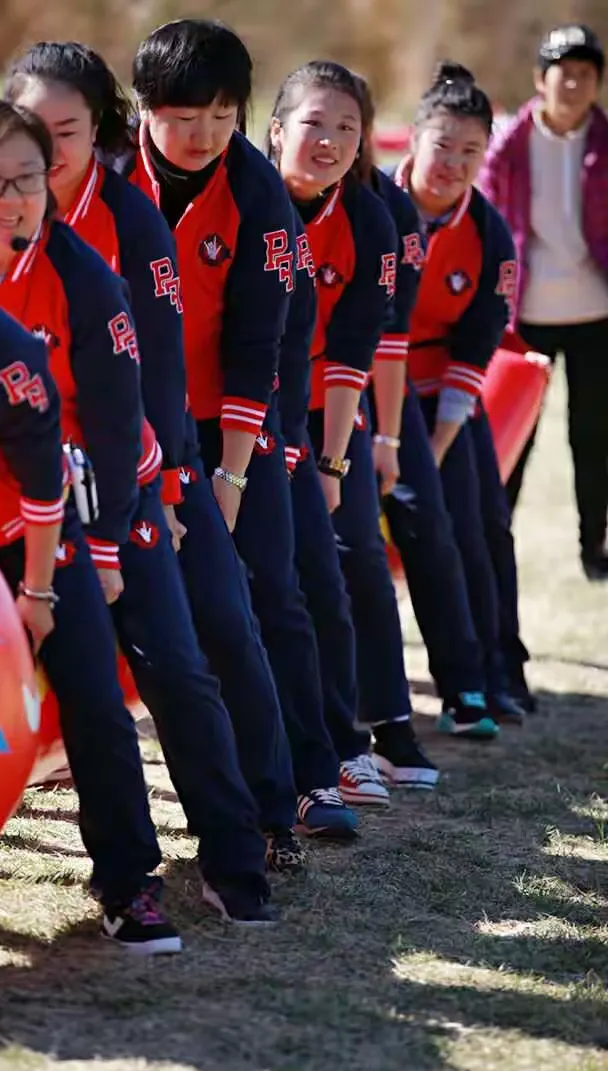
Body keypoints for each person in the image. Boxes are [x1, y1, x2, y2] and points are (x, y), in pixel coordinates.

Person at [0, 99, 278, 928]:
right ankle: (125, 874)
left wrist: (112, 545)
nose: (16, 198)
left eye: (32, 178)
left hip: (112, 496)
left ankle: (232, 855)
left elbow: (122, 424)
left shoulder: (84, 277)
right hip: (4, 513)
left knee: (171, 668)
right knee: (85, 692)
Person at [4, 41, 305, 874]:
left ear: (95, 126)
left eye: (66, 130)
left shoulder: (139, 212)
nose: (47, 149)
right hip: (24, 465)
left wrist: (187, 485)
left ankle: (267, 813)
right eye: (32, 128)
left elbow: (171, 368)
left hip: (151, 451)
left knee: (223, 616)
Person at [0, 170, 181, 955]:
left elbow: (46, 483)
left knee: (92, 700)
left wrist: (40, 592)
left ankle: (128, 887)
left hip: (26, 544)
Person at [123, 19, 357, 838]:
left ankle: (310, 775)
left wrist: (229, 477)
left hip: (240, 413)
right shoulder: (109, 180)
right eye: (187, 114)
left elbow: (263, 346)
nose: (205, 134)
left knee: (273, 581)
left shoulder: (257, 195)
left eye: (224, 115)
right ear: (145, 109)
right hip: (130, 417)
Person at [266, 59, 440, 786]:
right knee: (274, 574)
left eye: (347, 128)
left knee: (355, 556)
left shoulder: (372, 216)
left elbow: (359, 351)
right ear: (276, 130)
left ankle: (379, 730)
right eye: (314, 123)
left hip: (325, 409)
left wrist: (344, 460)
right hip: (233, 406)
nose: (330, 141)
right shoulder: (244, 196)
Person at [352, 72, 526, 733]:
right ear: (413, 139)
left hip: (439, 402)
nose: (453, 164)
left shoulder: (489, 236)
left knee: (470, 526)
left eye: (470, 152)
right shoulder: (366, 200)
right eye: (443, 145)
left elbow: (473, 355)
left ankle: (478, 682)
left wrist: (427, 450)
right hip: (354, 390)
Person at [479, 24, 608, 584]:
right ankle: (491, 539)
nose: (575, 84)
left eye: (587, 74)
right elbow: (483, 220)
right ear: (540, 79)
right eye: (564, 72)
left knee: (594, 437)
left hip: (595, 311)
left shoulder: (605, 144)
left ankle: (593, 549)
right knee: (510, 434)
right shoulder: (506, 147)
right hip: (523, 314)